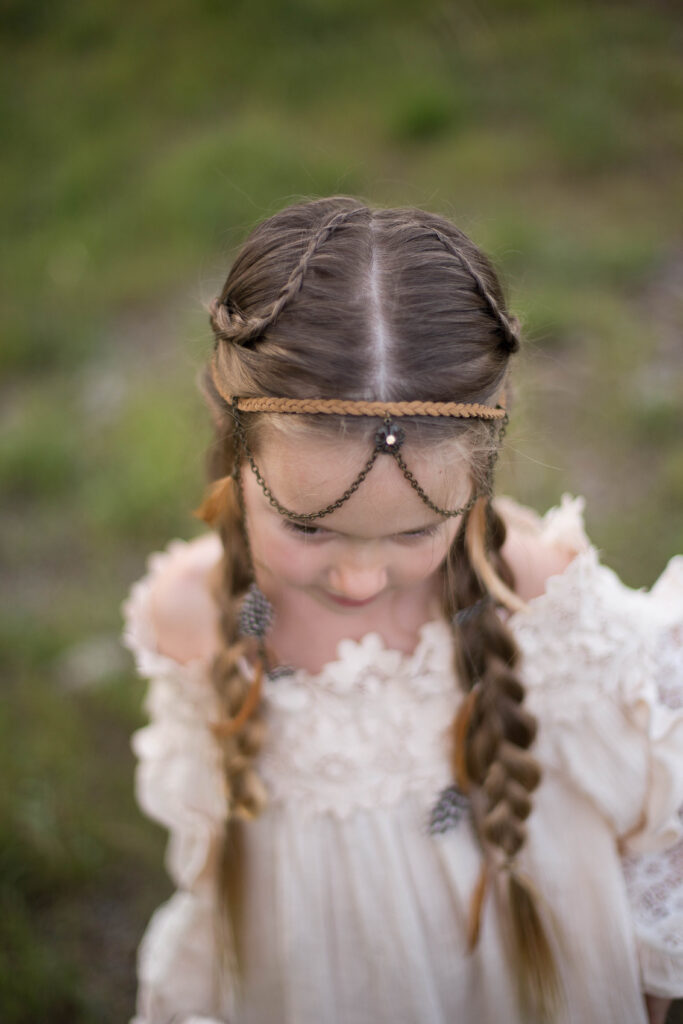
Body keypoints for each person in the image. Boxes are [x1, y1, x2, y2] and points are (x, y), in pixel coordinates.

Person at [122, 197, 683, 1024]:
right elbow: (213, 853)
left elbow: (653, 832)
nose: (356, 581)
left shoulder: (537, 601)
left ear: (479, 470)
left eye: (416, 530)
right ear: (231, 436)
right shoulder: (195, 617)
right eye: (309, 527)